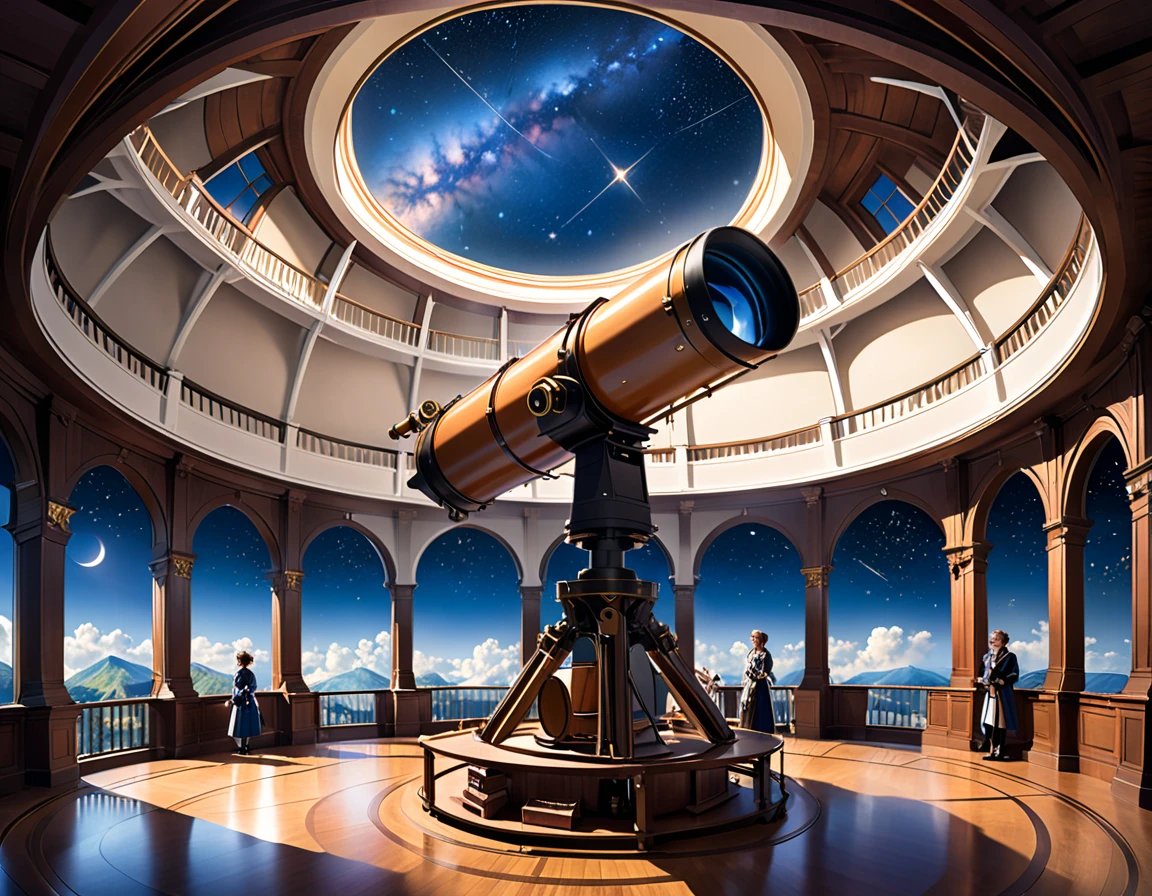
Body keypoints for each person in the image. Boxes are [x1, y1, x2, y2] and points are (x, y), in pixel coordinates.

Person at [977, 629, 1019, 761]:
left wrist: (1001, 681)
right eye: (991, 638)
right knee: (988, 721)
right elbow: (982, 673)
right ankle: (990, 748)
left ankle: (999, 750)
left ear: (1003, 642)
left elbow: (1014, 674)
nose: (992, 641)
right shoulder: (986, 657)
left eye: (996, 639)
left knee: (1000, 722)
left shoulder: (1010, 657)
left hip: (1002, 693)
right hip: (989, 693)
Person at [739, 630, 777, 733]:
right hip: (750, 685)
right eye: (752, 637)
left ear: (760, 640)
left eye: (755, 637)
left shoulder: (766, 655)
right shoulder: (751, 653)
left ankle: (763, 732)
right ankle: (749, 730)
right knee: (748, 708)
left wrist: (756, 674)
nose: (753, 640)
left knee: (761, 711)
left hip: (760, 688)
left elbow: (766, 671)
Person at [228, 650, 264, 755]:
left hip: (240, 703)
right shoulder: (251, 674)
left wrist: (234, 700)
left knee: (239, 726)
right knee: (248, 726)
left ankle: (241, 747)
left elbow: (236, 689)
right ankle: (246, 746)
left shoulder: (238, 674)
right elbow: (253, 688)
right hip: (250, 702)